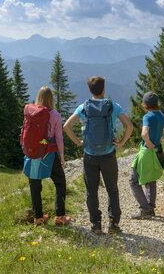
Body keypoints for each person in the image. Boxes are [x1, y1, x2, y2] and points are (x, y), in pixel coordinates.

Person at [63, 76, 133, 233]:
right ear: (104, 89)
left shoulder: (84, 107)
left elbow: (66, 126)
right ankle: (114, 224)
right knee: (112, 189)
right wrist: (121, 142)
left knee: (92, 191)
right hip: (108, 154)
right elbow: (129, 126)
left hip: (90, 155)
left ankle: (96, 224)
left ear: (89, 90)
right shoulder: (113, 106)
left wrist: (78, 142)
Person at [23, 86, 71, 226]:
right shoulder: (55, 115)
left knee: (34, 185)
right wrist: (61, 157)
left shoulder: (30, 112)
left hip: (32, 152)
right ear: (51, 98)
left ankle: (38, 218)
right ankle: (59, 216)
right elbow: (59, 138)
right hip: (48, 153)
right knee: (60, 182)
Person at [129, 91, 164, 219]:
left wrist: (148, 142)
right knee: (151, 178)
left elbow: (144, 134)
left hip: (147, 152)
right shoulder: (161, 115)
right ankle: (151, 208)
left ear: (145, 105)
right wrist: (161, 133)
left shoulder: (147, 117)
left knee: (133, 180)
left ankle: (145, 209)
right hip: (157, 150)